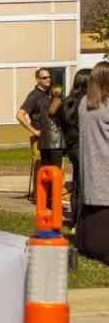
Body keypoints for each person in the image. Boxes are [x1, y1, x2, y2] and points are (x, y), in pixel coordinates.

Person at [76, 61, 109, 264]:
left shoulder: (85, 103)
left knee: (90, 208)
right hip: (105, 163)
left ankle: (85, 244)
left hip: (90, 164)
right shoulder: (106, 106)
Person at [56, 68, 91, 218]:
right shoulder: (86, 102)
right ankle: (82, 216)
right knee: (85, 182)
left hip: (72, 146)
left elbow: (60, 123)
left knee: (77, 180)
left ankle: (76, 216)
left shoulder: (67, 102)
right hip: (84, 146)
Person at [17, 68, 53, 202]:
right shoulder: (34, 95)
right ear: (38, 80)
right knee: (39, 167)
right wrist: (34, 130)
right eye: (44, 78)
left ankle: (49, 194)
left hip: (51, 137)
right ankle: (40, 196)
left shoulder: (48, 94)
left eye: (49, 77)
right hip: (39, 137)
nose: (48, 79)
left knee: (51, 167)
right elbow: (20, 115)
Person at [36, 84, 67, 204]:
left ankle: (45, 200)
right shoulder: (62, 106)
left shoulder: (43, 104)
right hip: (57, 142)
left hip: (44, 142)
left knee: (46, 172)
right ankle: (55, 201)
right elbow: (65, 123)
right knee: (56, 173)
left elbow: (39, 120)